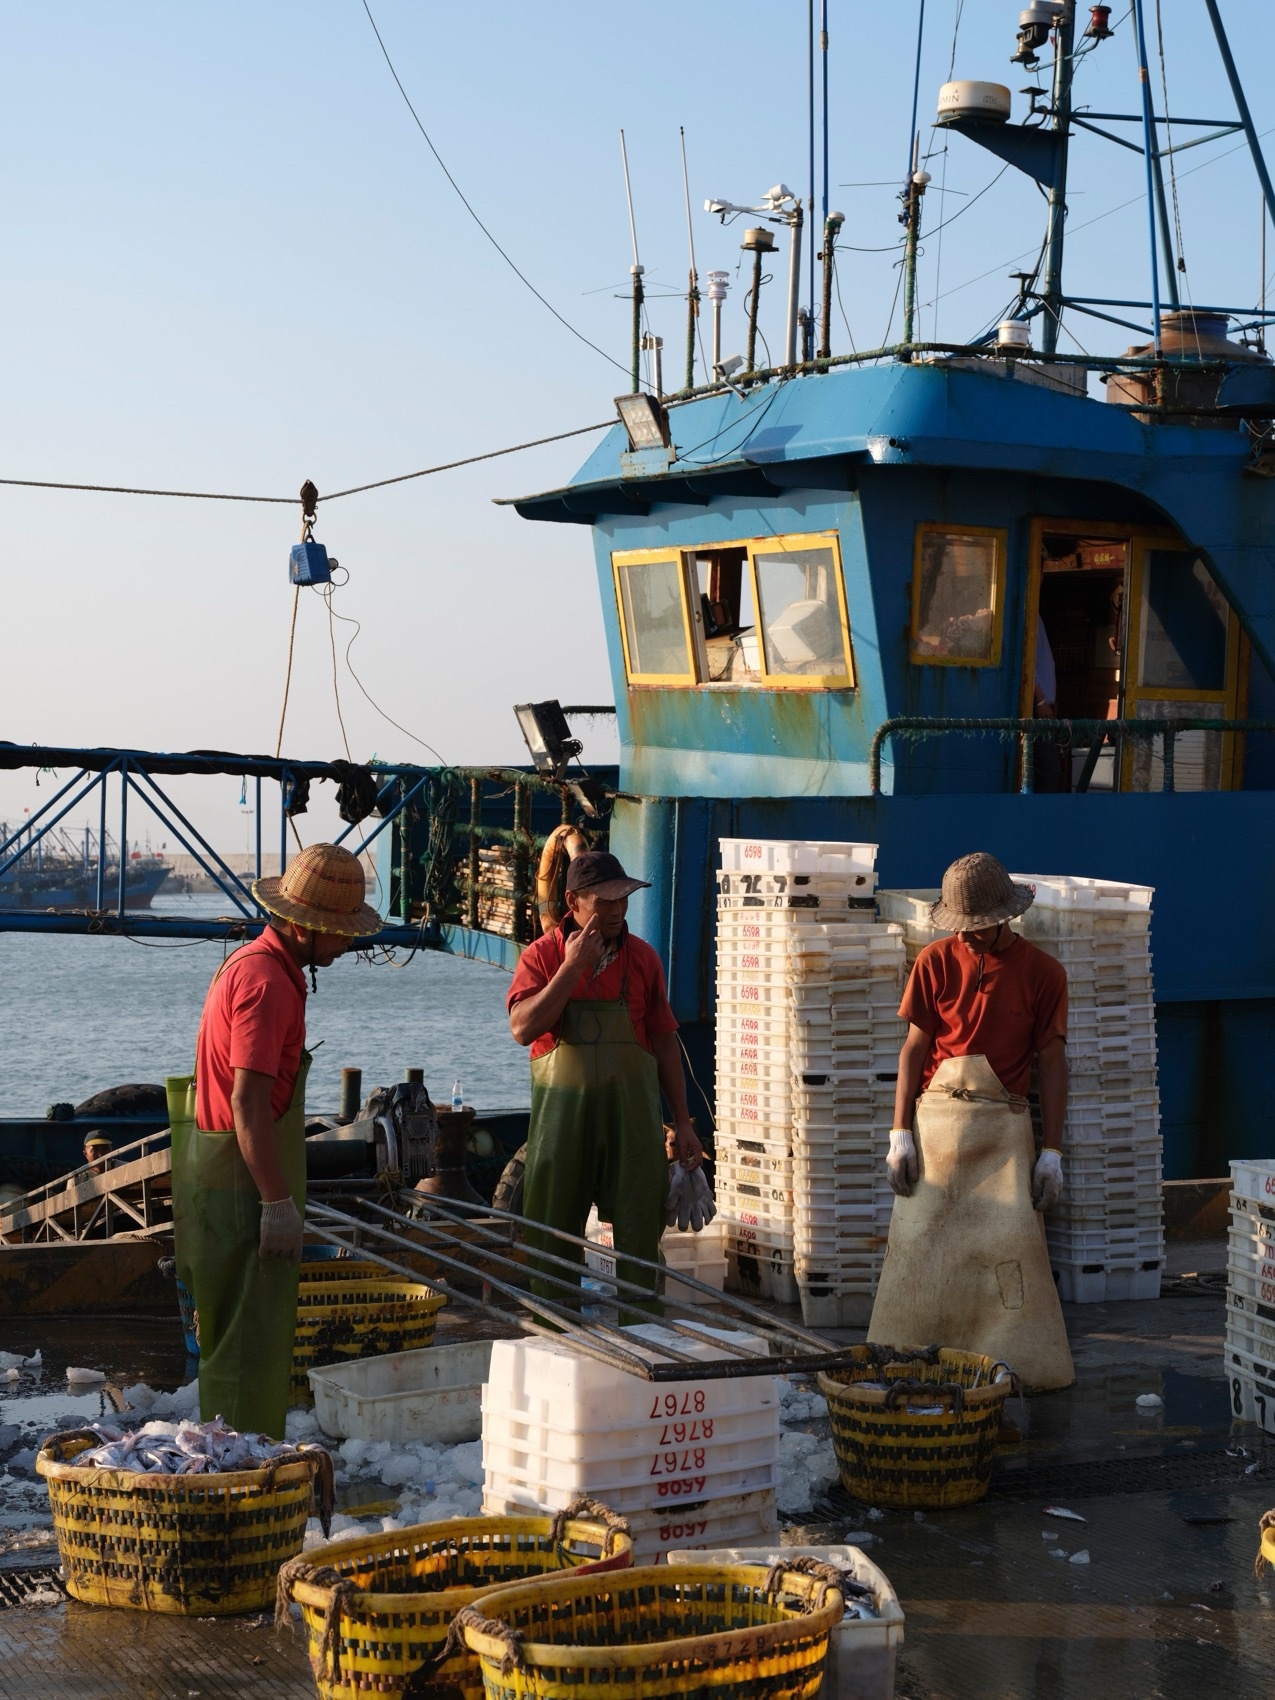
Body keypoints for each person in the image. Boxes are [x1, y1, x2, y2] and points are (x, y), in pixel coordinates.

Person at [170, 843, 380, 1438]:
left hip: (226, 1176)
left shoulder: (250, 964)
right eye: (337, 931)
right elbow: (247, 1102)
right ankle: (236, 1476)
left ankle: (234, 1458)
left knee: (245, 1344)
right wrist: (276, 1202)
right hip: (242, 1188)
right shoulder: (268, 986)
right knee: (247, 1349)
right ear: (300, 926)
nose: (347, 942)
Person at [869, 852, 1073, 1391]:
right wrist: (900, 1134)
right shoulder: (934, 961)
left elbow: (1052, 1064)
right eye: (962, 927)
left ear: (1007, 916)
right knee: (918, 1251)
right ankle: (913, 1359)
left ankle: (1012, 1369)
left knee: (1008, 1259)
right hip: (936, 1127)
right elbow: (914, 1050)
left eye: (981, 926)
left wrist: (1051, 1151)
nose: (970, 937)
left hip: (1003, 1131)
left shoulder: (1044, 974)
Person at [507, 850, 711, 1313]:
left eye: (623, 899)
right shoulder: (541, 957)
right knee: (552, 1237)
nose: (617, 910)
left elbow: (663, 1043)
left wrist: (683, 1122)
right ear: (572, 902)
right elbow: (522, 1029)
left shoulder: (643, 960)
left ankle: (644, 1336)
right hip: (562, 1130)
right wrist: (572, 968)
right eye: (604, 901)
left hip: (632, 1126)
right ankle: (557, 1336)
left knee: (640, 1233)